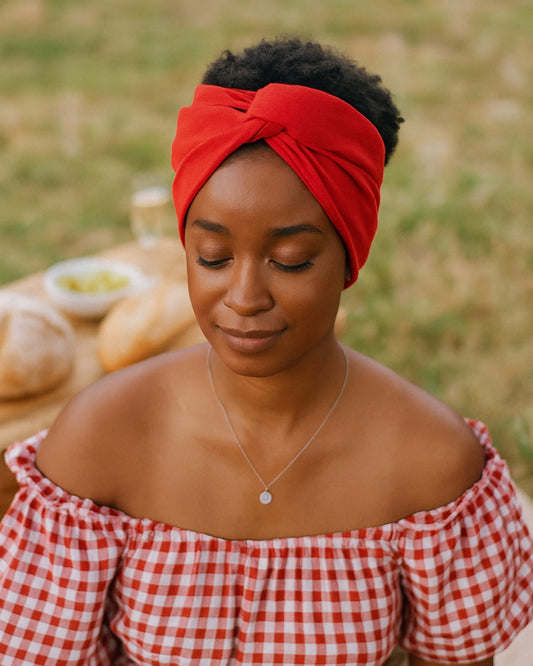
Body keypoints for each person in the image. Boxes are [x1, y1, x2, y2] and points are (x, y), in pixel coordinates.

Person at [0, 37, 532, 666]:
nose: (245, 297)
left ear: (348, 259)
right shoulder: (99, 442)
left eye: (291, 260)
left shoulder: (431, 467)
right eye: (213, 257)